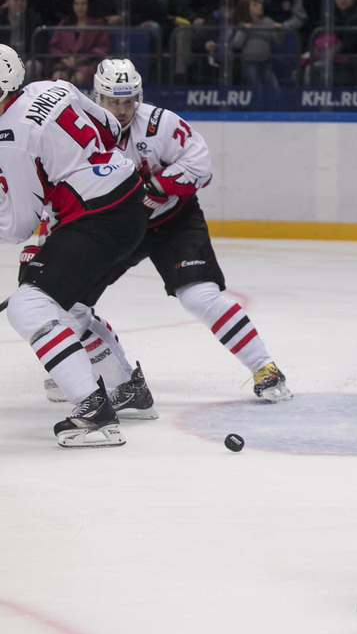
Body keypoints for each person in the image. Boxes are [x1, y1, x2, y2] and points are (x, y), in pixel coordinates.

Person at [54, 59, 292, 405]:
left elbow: (201, 166)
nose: (122, 110)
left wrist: (152, 187)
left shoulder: (159, 124)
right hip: (114, 229)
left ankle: (264, 367)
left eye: (129, 101)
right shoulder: (80, 134)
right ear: (97, 96)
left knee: (199, 296)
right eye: (112, 102)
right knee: (69, 302)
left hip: (173, 222)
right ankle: (76, 372)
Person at [0, 44, 147, 448]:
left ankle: (95, 413)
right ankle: (127, 390)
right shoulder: (53, 88)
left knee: (28, 305)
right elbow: (110, 129)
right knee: (68, 305)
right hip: (130, 199)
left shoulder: (10, 137)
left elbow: (18, 227)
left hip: (96, 216)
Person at [48, 0, 109, 87]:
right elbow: (54, 47)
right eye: (77, 4)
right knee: (57, 77)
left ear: (89, 5)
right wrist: (65, 59)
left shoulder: (97, 25)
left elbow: (102, 47)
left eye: (83, 4)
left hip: (87, 64)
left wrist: (82, 58)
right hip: (65, 64)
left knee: (78, 77)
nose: (80, 7)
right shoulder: (64, 24)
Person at [231, 0, 282, 91]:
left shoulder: (268, 21)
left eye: (259, 4)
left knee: (275, 89)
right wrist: (244, 30)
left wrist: (278, 30)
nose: (260, 6)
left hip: (265, 61)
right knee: (255, 89)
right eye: (255, 5)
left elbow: (278, 40)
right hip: (249, 62)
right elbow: (236, 44)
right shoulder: (244, 24)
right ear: (247, 8)